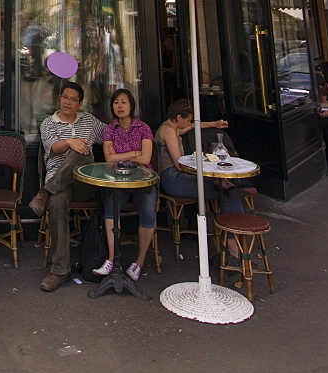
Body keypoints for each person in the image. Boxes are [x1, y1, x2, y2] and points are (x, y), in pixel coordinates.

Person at [29, 81, 106, 292]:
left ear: (80, 103)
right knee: (55, 205)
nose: (68, 102)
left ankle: (44, 193)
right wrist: (71, 142)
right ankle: (60, 271)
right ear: (59, 99)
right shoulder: (49, 123)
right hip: (60, 182)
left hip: (84, 183)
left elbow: (110, 135)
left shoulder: (89, 120)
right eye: (65, 97)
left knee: (82, 151)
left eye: (73, 99)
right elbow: (54, 148)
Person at [155, 99, 243, 259]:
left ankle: (235, 237)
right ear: (179, 117)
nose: (188, 123)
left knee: (226, 186)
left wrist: (215, 124)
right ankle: (235, 244)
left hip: (175, 176)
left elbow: (194, 126)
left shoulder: (171, 128)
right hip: (173, 178)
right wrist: (200, 162)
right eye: (187, 119)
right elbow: (179, 163)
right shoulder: (168, 131)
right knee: (226, 190)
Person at [92, 88, 157, 282]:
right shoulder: (109, 129)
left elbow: (146, 158)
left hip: (142, 179)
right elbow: (109, 159)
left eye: (123, 102)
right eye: (116, 102)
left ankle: (139, 262)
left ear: (131, 105)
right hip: (118, 180)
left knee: (147, 212)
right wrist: (133, 153)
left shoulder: (143, 128)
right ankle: (112, 259)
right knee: (111, 209)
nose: (119, 106)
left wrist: (128, 156)